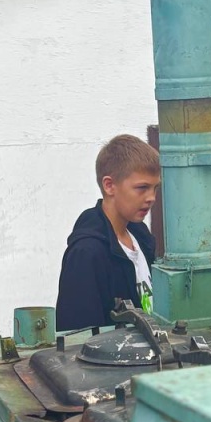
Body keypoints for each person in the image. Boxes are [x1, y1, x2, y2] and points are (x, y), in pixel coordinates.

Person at [56, 135, 160, 330]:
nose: (151, 197)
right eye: (142, 188)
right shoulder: (86, 253)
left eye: (155, 188)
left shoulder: (141, 236)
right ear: (109, 185)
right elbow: (78, 334)